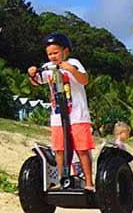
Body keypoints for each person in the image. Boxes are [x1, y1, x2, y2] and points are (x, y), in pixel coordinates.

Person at [27, 33, 93, 188]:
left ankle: (89, 183)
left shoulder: (73, 62)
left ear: (65, 51)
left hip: (78, 115)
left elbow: (84, 80)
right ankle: (62, 180)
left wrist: (71, 70)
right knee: (59, 149)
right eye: (49, 54)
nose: (52, 56)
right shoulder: (48, 68)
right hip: (57, 115)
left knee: (82, 149)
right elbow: (38, 82)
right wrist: (32, 75)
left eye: (56, 53)